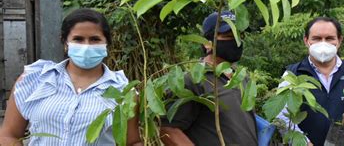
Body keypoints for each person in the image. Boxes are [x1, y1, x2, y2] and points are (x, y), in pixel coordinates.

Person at [0, 8, 141, 145]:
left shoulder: (123, 90)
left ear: (107, 43)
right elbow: (8, 135)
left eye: (95, 39)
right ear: (65, 43)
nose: (86, 46)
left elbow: (132, 142)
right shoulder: (34, 80)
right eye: (78, 39)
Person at [160, 11, 258, 146]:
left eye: (240, 35)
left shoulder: (242, 78)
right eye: (229, 35)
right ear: (207, 43)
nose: (237, 41)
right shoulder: (193, 81)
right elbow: (168, 129)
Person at [278, 17, 344, 146]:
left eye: (329, 38)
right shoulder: (293, 74)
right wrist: (302, 142)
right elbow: (280, 115)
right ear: (306, 41)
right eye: (316, 38)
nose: (323, 43)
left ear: (339, 40)